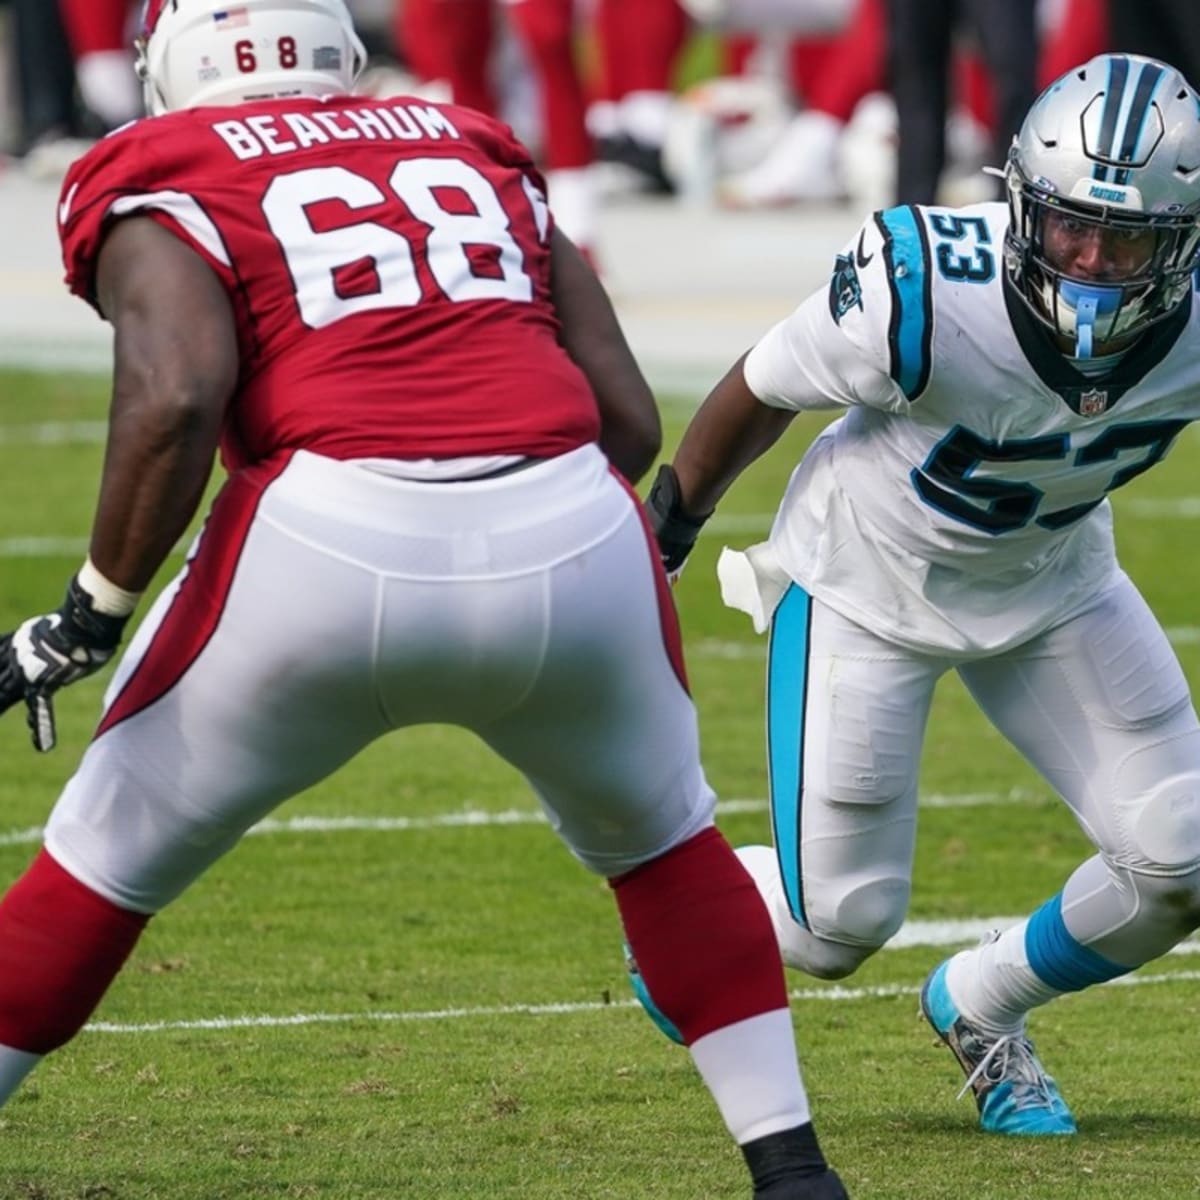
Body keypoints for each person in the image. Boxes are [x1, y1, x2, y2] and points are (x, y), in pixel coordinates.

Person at [0, 2, 847, 1195]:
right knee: (667, 850)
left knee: (97, 866)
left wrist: (89, 612)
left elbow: (181, 393)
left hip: (326, 538)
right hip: (567, 521)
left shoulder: (157, 161)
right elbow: (628, 419)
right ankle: (793, 1167)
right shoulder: (465, 137)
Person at [637, 52, 1200, 1136]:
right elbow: (764, 384)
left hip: (1055, 582)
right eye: (1069, 224)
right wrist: (673, 519)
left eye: (1124, 239)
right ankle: (681, 904)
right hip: (866, 581)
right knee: (836, 924)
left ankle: (982, 1008)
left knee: (1182, 852)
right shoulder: (926, 282)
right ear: (1021, 201)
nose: (1087, 262)